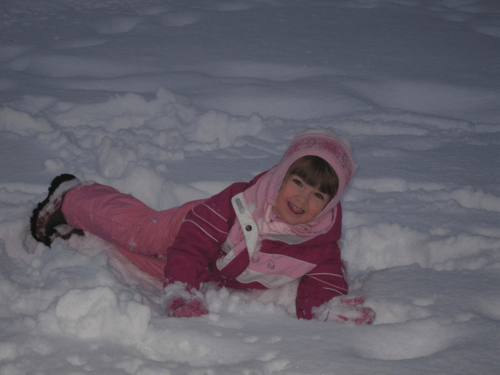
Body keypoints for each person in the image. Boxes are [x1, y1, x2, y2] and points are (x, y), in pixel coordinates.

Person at [29, 129, 375, 324]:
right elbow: (192, 245)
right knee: (139, 234)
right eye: (298, 182)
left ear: (330, 203)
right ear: (282, 174)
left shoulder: (320, 242)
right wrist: (182, 290)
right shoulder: (241, 203)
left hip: (214, 268)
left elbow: (326, 280)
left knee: (141, 262)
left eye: (317, 195)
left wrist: (328, 310)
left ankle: (87, 231)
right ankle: (71, 198)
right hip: (194, 226)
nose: (302, 199)